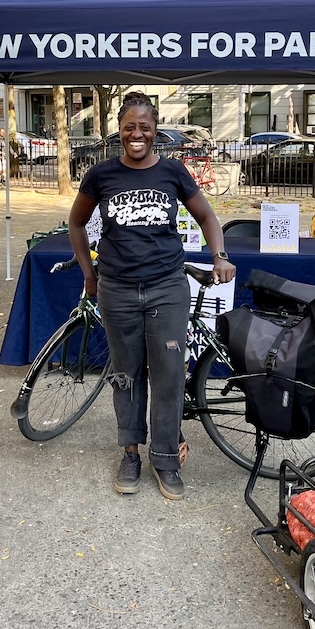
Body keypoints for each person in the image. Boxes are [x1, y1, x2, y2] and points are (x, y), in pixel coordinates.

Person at [68, 91, 236, 500]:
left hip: (166, 287)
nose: (136, 134)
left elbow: (207, 216)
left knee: (167, 375)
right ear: (119, 131)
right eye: (129, 127)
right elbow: (75, 224)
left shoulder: (174, 172)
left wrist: (220, 255)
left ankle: (164, 458)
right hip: (118, 290)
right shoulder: (101, 176)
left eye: (144, 127)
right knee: (125, 375)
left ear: (155, 130)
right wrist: (90, 275)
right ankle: (130, 452)